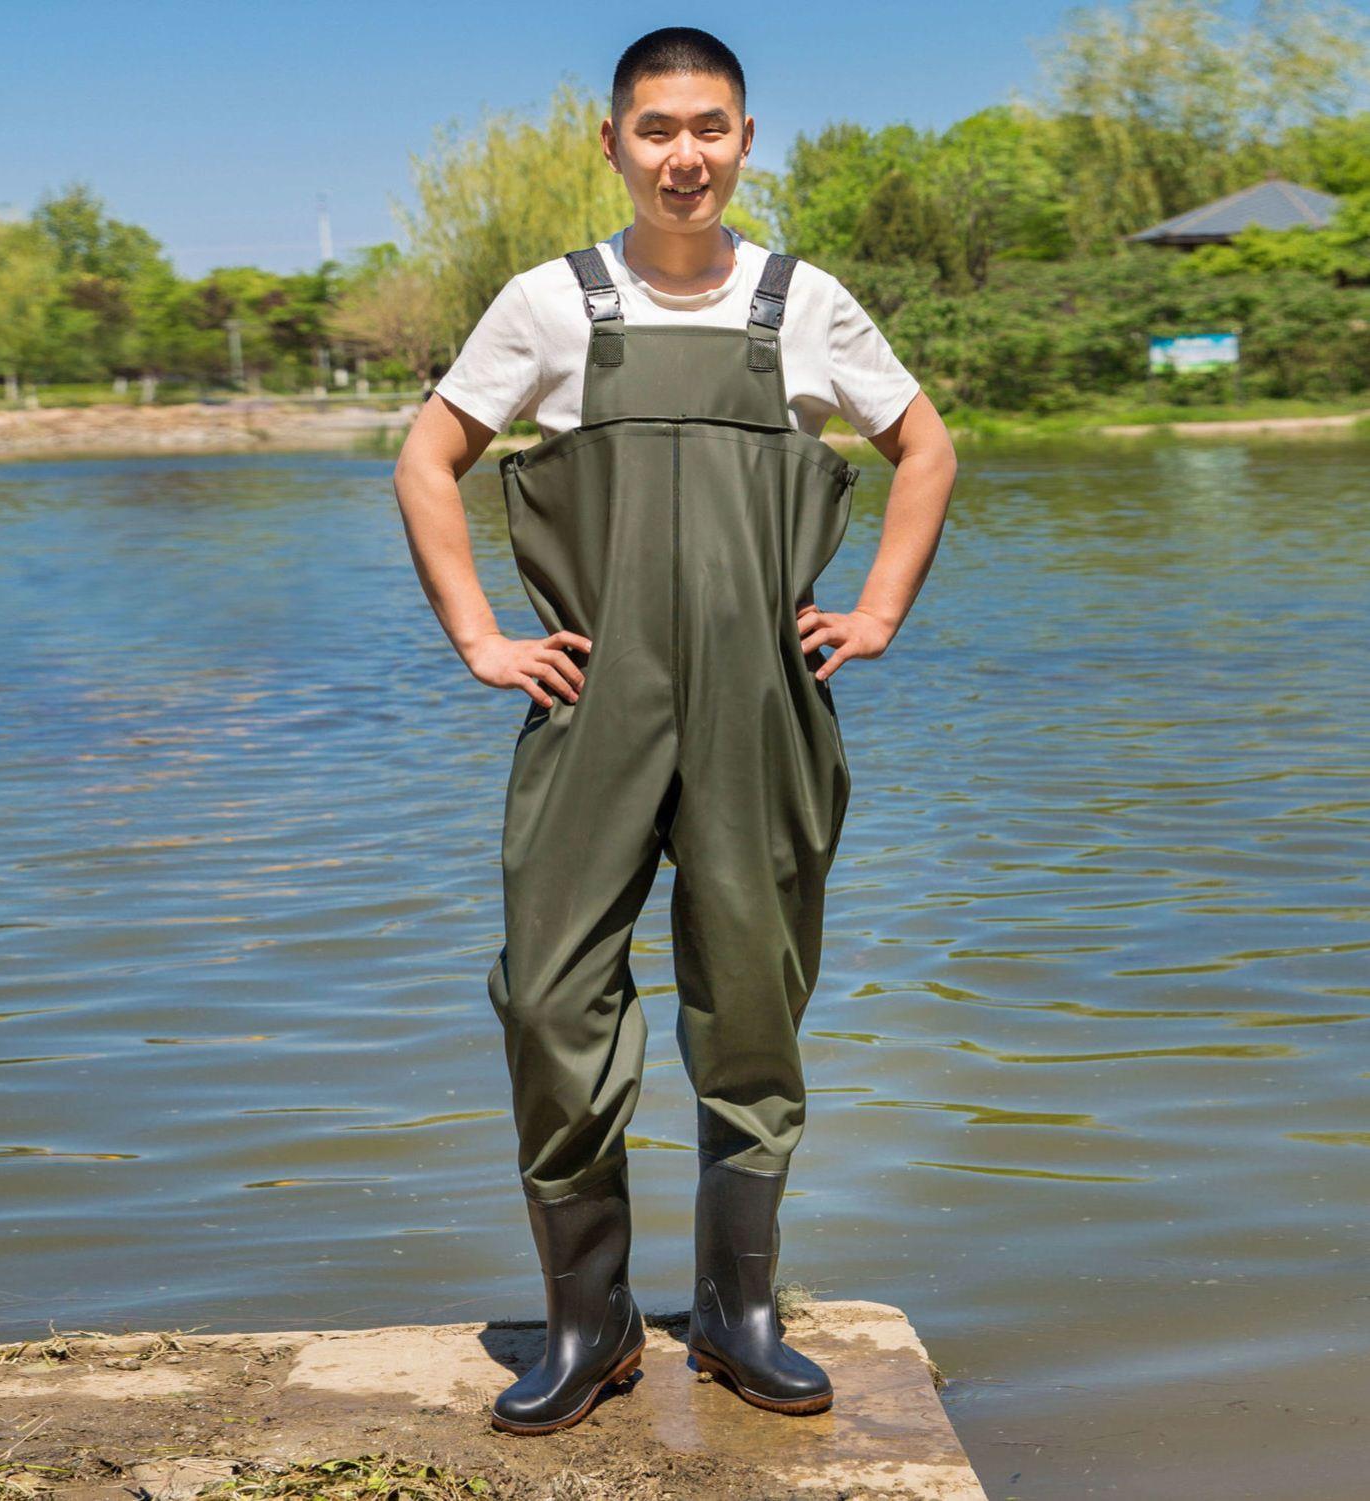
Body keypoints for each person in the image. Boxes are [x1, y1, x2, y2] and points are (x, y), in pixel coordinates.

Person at [392, 27, 957, 1437]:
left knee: (751, 997)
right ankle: (588, 1327)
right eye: (655, 129)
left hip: (764, 701)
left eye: (708, 127)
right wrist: (479, 637)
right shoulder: (548, 303)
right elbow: (427, 454)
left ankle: (735, 1312)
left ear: (745, 139)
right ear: (612, 144)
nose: (683, 155)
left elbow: (925, 448)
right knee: (546, 993)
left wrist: (876, 609)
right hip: (588, 702)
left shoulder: (803, 303)